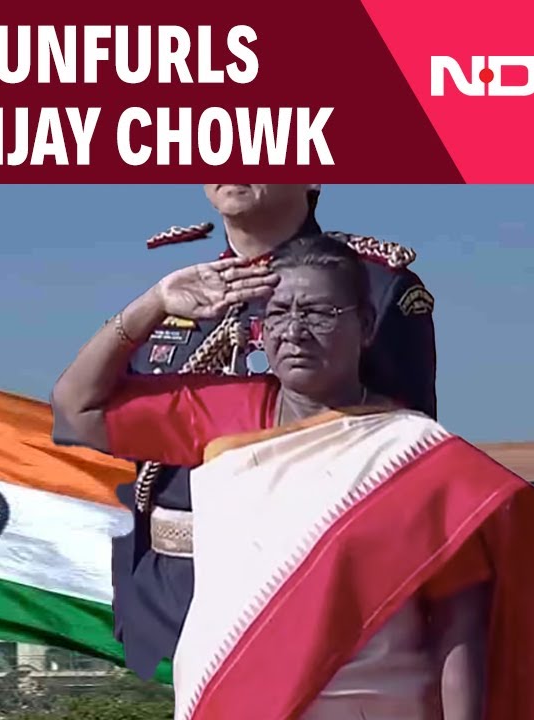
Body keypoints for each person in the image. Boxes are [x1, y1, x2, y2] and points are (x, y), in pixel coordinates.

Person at [51, 234, 534, 719]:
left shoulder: (416, 462)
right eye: (277, 313)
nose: (294, 330)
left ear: (366, 327)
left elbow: (460, 631)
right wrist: (154, 302)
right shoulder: (221, 412)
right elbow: (77, 411)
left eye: (318, 313)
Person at [96, 184, 438, 681]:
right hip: (173, 608)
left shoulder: (376, 287)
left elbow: (407, 462)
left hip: (302, 599)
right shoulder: (174, 293)